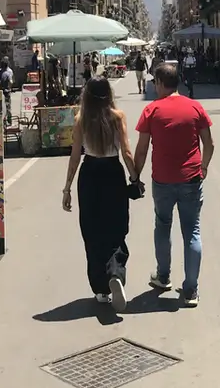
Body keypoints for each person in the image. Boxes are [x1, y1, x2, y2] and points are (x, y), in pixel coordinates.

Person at [134, 63, 215, 307]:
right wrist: (204, 167)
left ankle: (163, 276)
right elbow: (209, 144)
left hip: (162, 180)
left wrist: (135, 176)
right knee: (192, 231)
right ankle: (191, 290)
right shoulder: (195, 106)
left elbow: (141, 149)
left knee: (162, 225)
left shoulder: (152, 110)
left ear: (159, 82)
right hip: (191, 178)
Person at [62, 76, 139, 312]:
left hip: (90, 174)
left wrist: (67, 188)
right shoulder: (118, 117)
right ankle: (115, 273)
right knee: (116, 229)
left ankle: (101, 290)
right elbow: (126, 152)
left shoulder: (81, 120)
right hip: (113, 173)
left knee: (92, 231)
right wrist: (135, 178)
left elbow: (75, 157)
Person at [0, 57, 13, 125]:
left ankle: (2, 122)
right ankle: (9, 121)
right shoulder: (7, 74)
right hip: (6, 92)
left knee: (0, 108)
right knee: (8, 107)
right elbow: (11, 82)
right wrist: (10, 88)